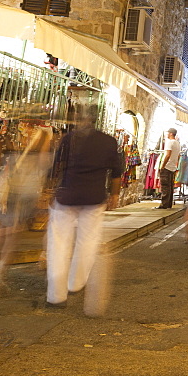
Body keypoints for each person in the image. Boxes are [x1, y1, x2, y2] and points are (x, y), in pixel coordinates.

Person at [45, 105, 123, 316]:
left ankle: (56, 295)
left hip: (68, 195)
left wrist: (50, 190)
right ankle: (76, 283)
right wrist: (114, 195)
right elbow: (116, 173)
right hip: (93, 198)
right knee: (87, 242)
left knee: (59, 244)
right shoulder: (109, 141)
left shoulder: (70, 139)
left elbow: (56, 167)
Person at [0, 126, 54, 297]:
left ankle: (0, 264)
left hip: (10, 190)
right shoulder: (42, 152)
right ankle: (2, 267)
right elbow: (43, 166)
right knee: (13, 232)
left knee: (4, 229)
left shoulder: (17, 148)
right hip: (25, 192)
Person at [157, 128, 179, 209]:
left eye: (168, 133)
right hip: (173, 166)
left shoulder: (169, 142)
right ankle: (168, 204)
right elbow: (178, 156)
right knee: (170, 186)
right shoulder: (177, 143)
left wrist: (162, 166)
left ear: (171, 133)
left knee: (165, 186)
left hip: (167, 166)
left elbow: (168, 155)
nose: (166, 134)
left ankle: (164, 204)